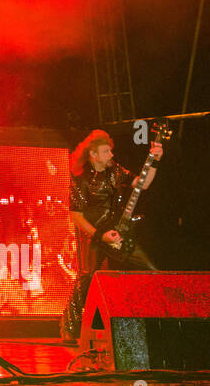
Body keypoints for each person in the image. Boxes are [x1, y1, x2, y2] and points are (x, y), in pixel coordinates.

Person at [59, 129, 162, 343]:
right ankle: (69, 328)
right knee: (87, 277)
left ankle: (155, 321)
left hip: (116, 231)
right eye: (106, 152)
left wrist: (154, 161)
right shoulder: (81, 179)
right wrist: (99, 235)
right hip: (93, 234)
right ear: (93, 155)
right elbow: (75, 216)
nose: (111, 155)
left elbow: (142, 184)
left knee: (149, 269)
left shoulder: (114, 171)